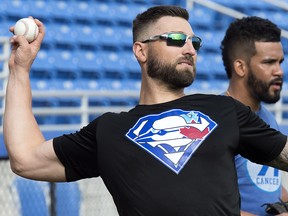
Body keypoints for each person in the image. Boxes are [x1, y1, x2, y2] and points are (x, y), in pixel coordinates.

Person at [4, 5, 288, 216]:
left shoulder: (224, 110)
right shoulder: (109, 130)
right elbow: (24, 158)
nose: (190, 49)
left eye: (194, 42)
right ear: (141, 51)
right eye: (176, 39)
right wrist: (20, 69)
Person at [221, 16, 288, 216]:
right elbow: (205, 205)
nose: (279, 71)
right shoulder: (216, 120)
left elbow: (267, 185)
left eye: (280, 62)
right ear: (240, 67)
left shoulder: (267, 116)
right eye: (269, 62)